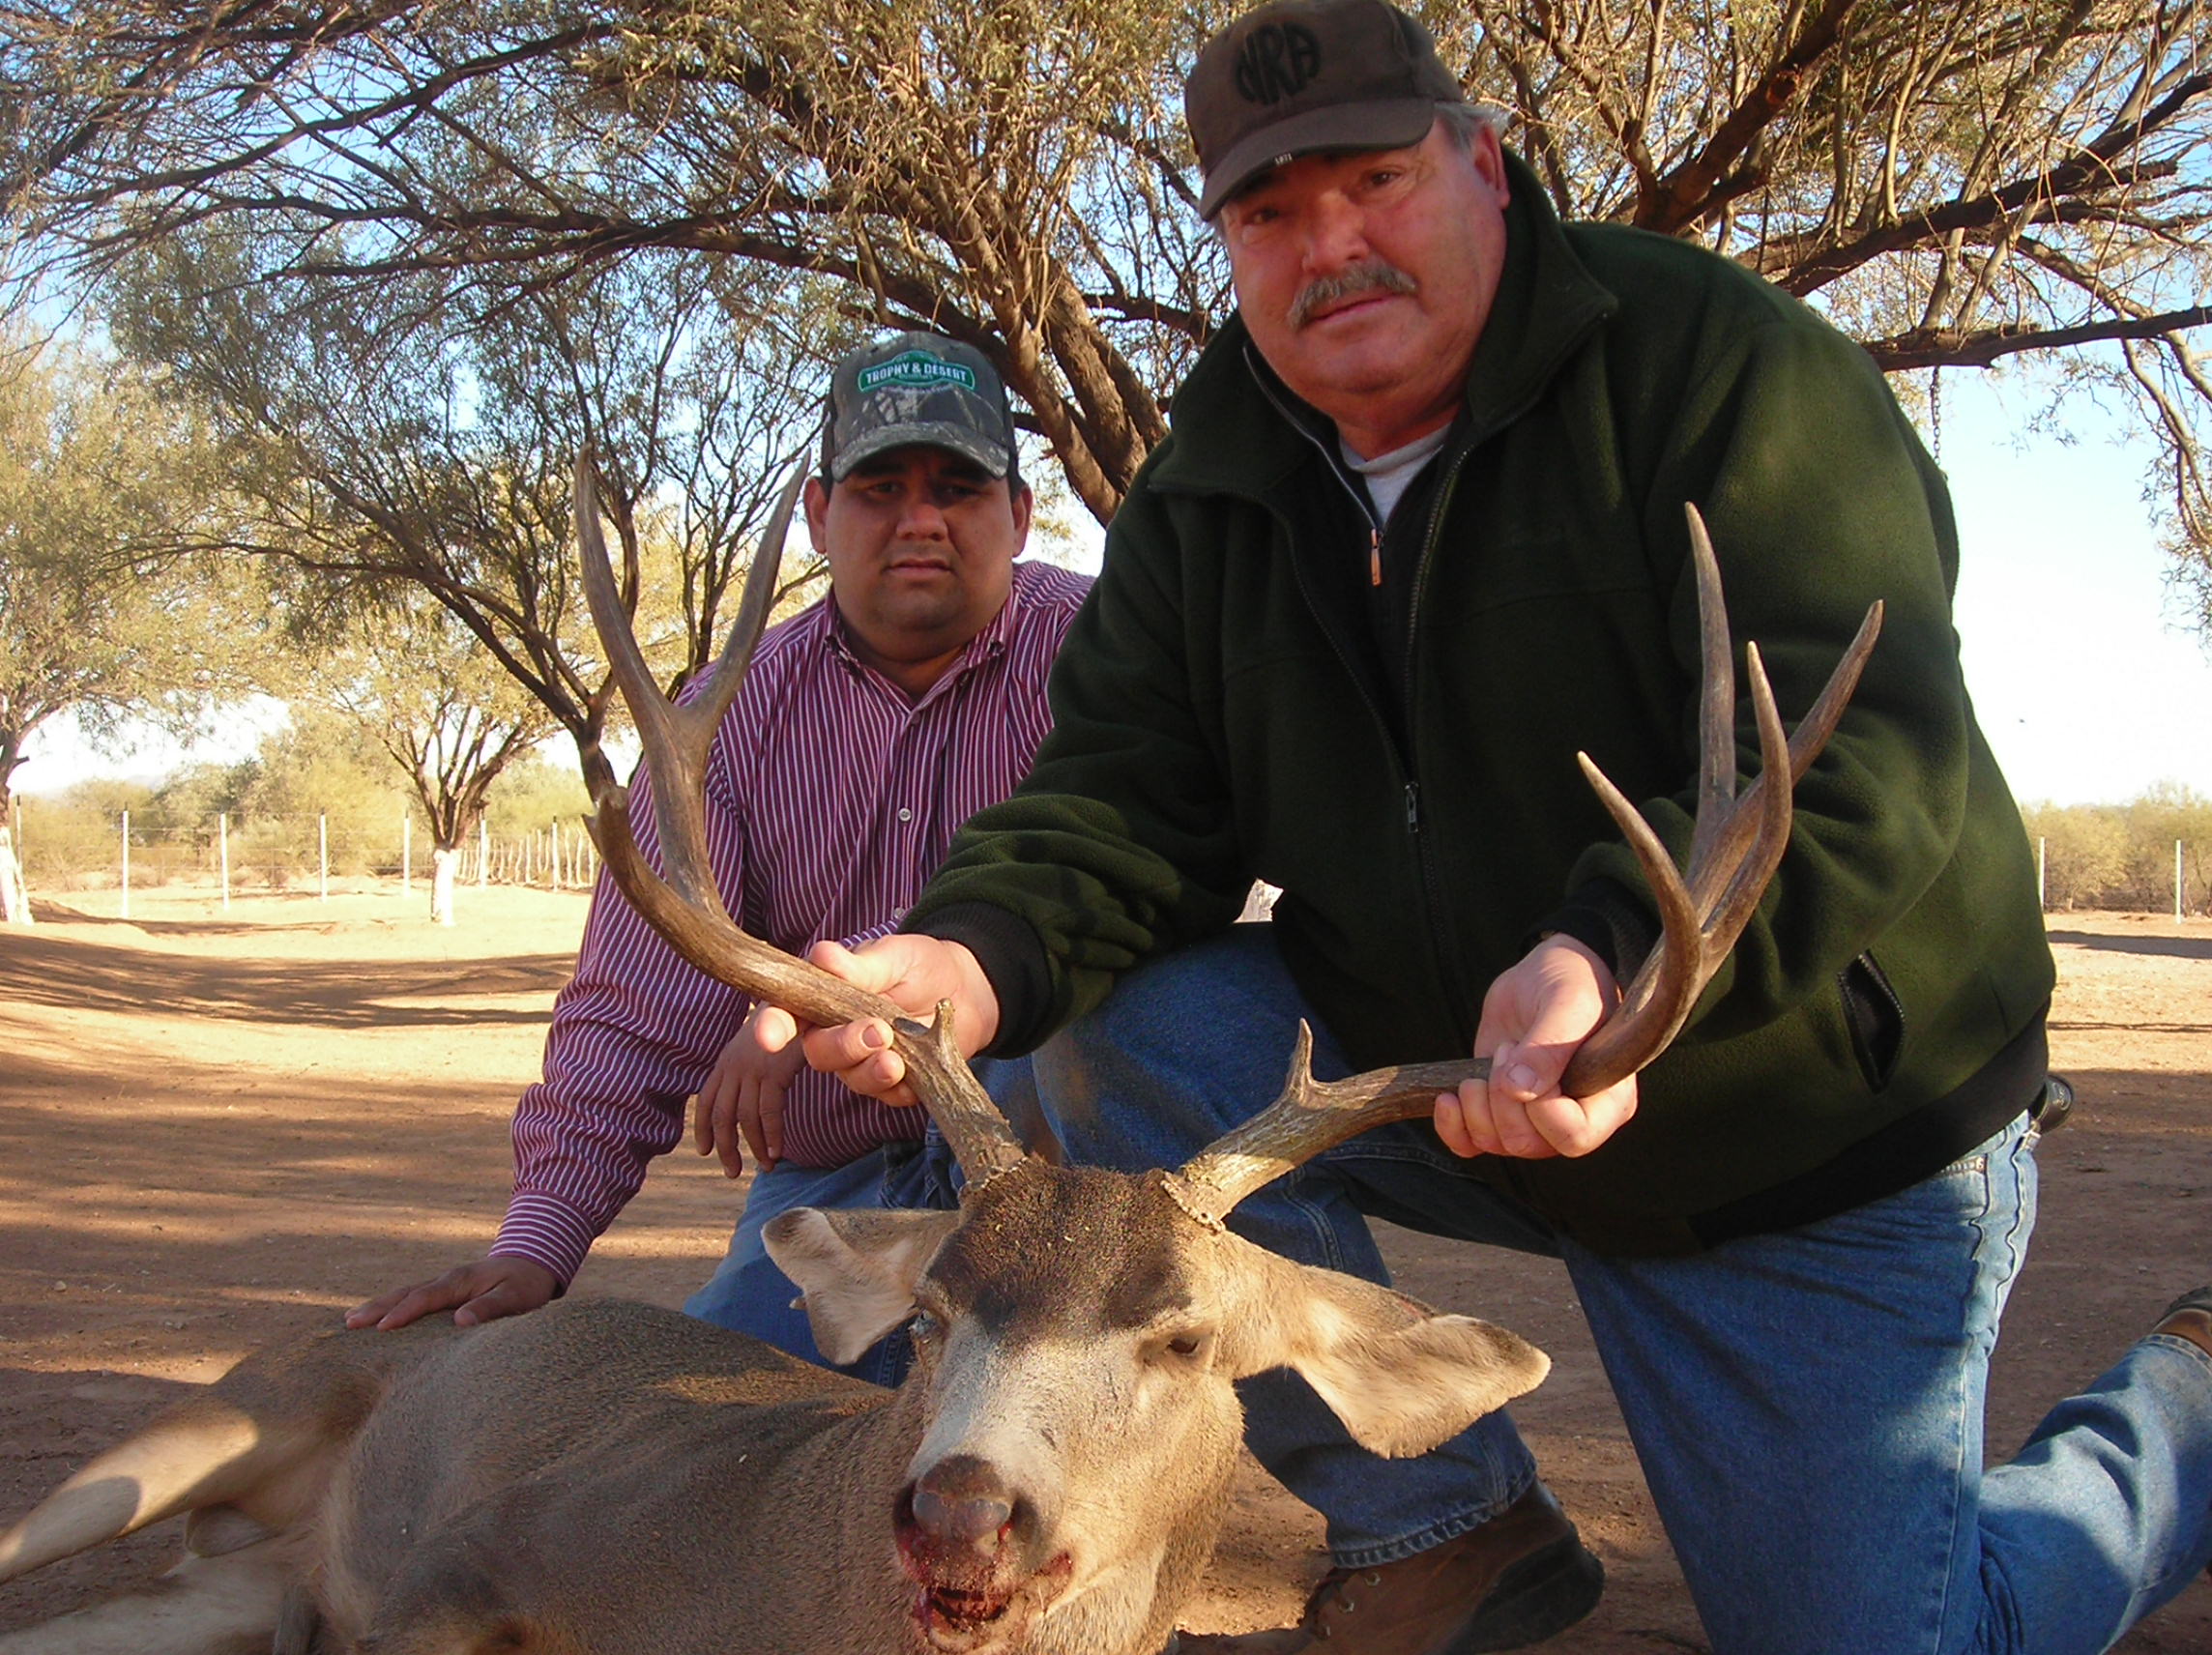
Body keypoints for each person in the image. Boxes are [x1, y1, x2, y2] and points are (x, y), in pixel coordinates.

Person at [773, 4, 2212, 1651]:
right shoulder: (1213, 478)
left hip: (1798, 1132)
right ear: (1229, 240)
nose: (1331, 244)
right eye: (1268, 212)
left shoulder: (1722, 370)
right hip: (1457, 1085)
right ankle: (1446, 1519)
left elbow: (1854, 751)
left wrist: (1602, 956)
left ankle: (2178, 1420)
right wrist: (963, 953)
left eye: (1374, 179)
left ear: (1482, 164)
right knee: (1101, 1032)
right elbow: (1121, 792)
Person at [348, 333, 1091, 1382]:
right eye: (880, 487)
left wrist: (808, 1004)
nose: (920, 517)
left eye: (958, 487)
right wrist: (535, 1244)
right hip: (844, 1184)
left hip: (1058, 1176)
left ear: (1016, 514)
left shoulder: (1098, 653)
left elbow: (1127, 895)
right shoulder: (726, 714)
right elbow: (634, 1006)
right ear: (818, 513)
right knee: (719, 1422)